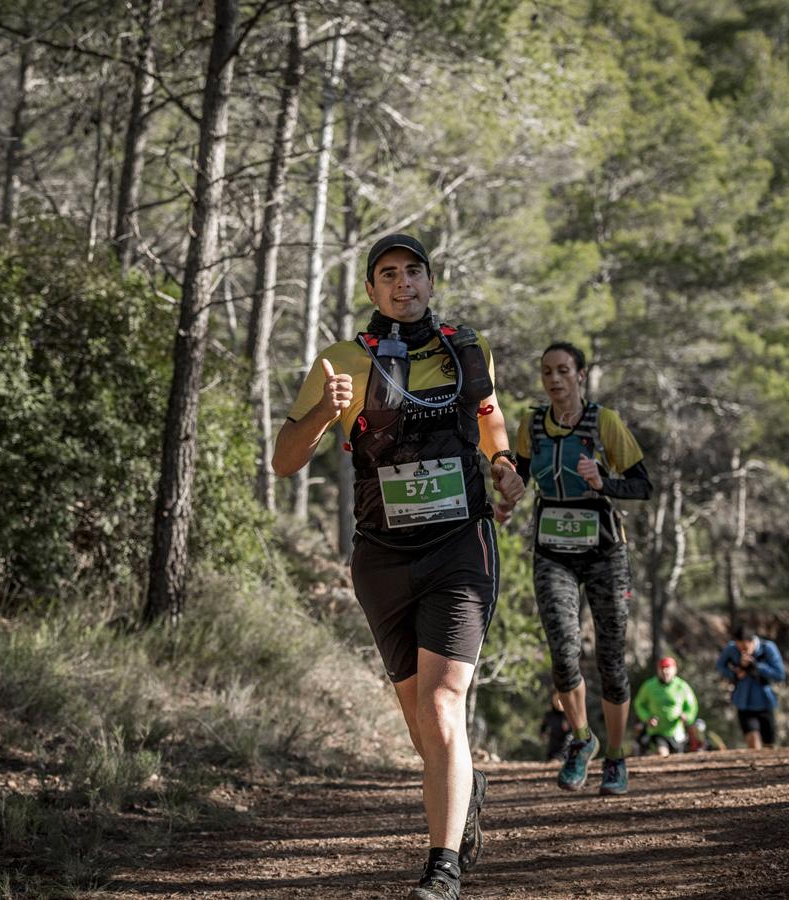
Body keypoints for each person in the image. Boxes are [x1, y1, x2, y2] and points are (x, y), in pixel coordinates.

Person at [272, 234, 525, 900]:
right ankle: (464, 787)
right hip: (381, 557)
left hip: (459, 549)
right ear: (371, 289)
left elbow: (489, 418)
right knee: (422, 721)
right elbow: (284, 459)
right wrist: (326, 415)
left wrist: (504, 466)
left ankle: (442, 869)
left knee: (444, 705)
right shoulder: (342, 360)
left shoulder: (467, 349)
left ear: (430, 281)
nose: (402, 283)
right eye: (388, 274)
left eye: (414, 271)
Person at [512, 341, 652, 796]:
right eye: (547, 371)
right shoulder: (530, 424)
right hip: (552, 549)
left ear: (581, 375)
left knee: (611, 660)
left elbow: (642, 484)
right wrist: (503, 497)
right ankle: (580, 739)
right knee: (563, 651)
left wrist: (602, 481)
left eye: (563, 371)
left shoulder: (604, 422)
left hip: (604, 551)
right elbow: (515, 474)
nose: (554, 380)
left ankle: (615, 756)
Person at [716, 623, 786, 749]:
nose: (741, 650)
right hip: (744, 703)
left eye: (745, 647)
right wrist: (735, 673)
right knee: (753, 741)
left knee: (769, 745)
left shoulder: (767, 648)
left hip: (765, 702)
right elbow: (720, 666)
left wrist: (757, 666)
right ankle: (755, 767)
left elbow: (779, 674)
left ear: (752, 641)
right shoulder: (731, 649)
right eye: (738, 645)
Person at [632, 656, 698, 757]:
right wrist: (647, 718)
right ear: (658, 670)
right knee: (662, 754)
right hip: (657, 731)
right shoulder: (649, 686)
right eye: (662, 668)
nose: (665, 671)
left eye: (668, 668)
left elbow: (692, 706)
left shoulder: (682, 686)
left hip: (676, 732)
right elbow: (639, 704)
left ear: (675, 669)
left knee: (676, 759)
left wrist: (687, 716)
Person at [540, 690, 573, 763]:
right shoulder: (549, 715)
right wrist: (543, 734)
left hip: (565, 750)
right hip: (552, 749)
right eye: (556, 700)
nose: (558, 703)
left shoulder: (569, 714)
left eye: (561, 700)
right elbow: (543, 728)